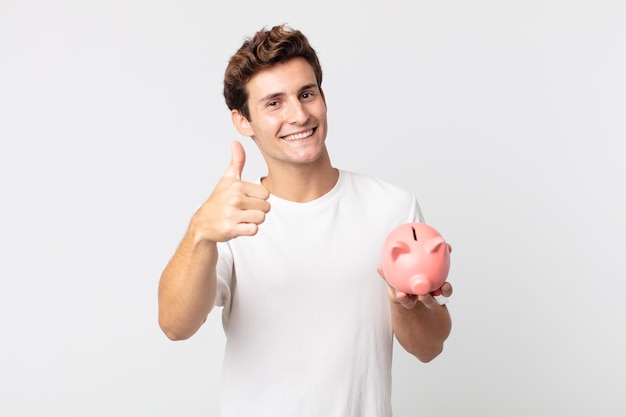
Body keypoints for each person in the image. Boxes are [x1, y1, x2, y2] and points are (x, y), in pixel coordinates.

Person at [158, 24, 453, 417]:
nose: (298, 115)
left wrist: (407, 304)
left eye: (306, 94)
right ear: (243, 122)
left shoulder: (392, 208)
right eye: (274, 103)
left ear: (323, 97)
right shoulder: (230, 217)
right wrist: (200, 233)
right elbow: (175, 325)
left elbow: (429, 347)